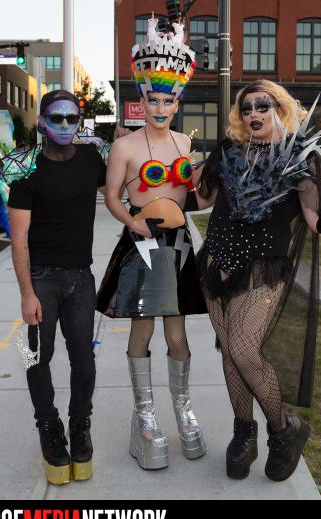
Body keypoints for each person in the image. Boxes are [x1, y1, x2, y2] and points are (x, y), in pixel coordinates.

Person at [194, 79, 321, 482]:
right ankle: (243, 432)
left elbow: (318, 221)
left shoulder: (301, 159)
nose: (253, 113)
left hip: (262, 269)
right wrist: (153, 187)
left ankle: (284, 431)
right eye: (246, 107)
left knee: (244, 349)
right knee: (230, 354)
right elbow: (201, 200)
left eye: (262, 105)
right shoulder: (228, 151)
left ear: (280, 109)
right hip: (216, 263)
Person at [96, 16, 207, 470]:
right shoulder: (124, 147)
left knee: (177, 334)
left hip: (177, 245)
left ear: (177, 102)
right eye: (153, 99)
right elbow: (112, 196)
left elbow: (196, 197)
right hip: (141, 244)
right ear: (141, 100)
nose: (160, 107)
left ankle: (183, 409)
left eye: (168, 100)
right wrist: (132, 222)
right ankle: (145, 418)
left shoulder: (184, 143)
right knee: (142, 330)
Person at [8, 90, 107, 485]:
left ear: (79, 121)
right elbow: (18, 240)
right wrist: (26, 293)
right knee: (36, 357)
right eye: (56, 117)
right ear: (42, 121)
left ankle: (80, 425)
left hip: (81, 277)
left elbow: (124, 187)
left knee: (84, 360)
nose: (65, 125)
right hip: (42, 278)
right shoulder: (26, 170)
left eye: (72, 118)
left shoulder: (92, 160)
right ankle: (49, 427)